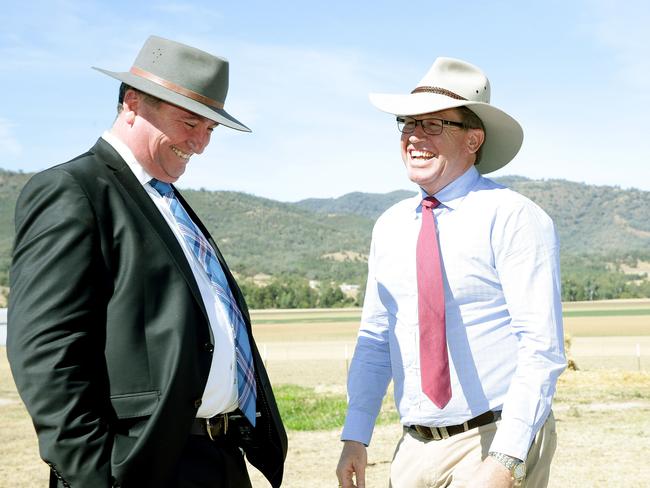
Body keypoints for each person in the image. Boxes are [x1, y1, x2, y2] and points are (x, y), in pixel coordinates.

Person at [8, 35, 287, 488]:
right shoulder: (74, 190)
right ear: (133, 103)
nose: (199, 144)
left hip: (216, 460)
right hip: (140, 467)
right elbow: (45, 353)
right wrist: (99, 476)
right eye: (189, 122)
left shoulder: (168, 201)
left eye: (210, 129)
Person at [336, 57, 566, 488]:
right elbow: (376, 337)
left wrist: (506, 459)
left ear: (473, 139)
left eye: (433, 125)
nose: (414, 137)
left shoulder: (513, 216)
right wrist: (356, 435)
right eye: (407, 123)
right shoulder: (389, 225)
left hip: (494, 438)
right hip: (413, 449)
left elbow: (542, 348)